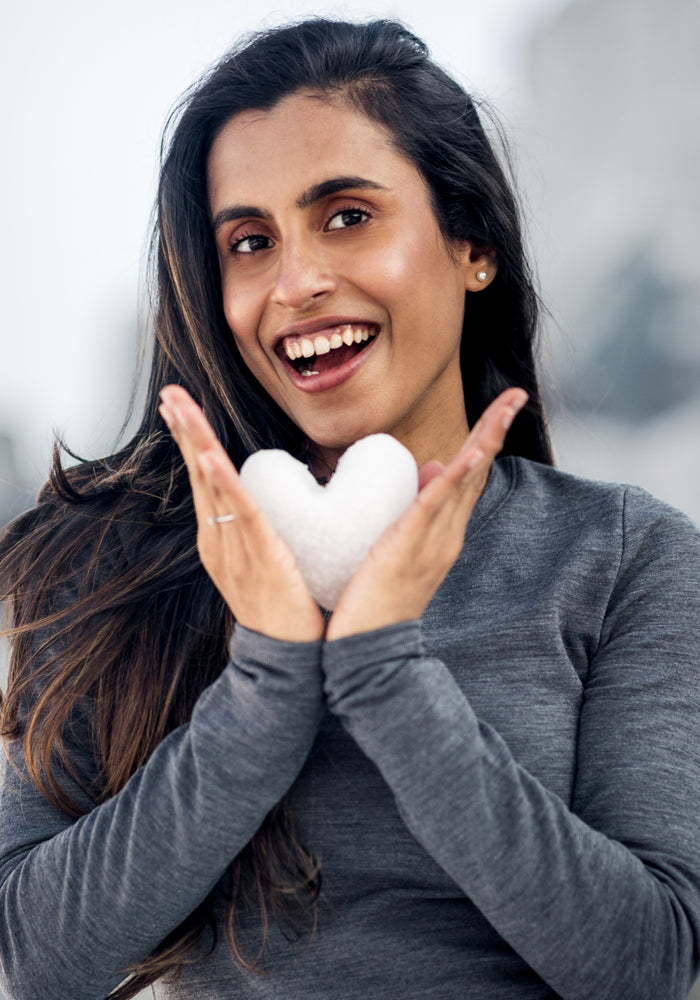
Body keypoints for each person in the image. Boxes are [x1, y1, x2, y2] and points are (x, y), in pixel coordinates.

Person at [1, 17, 699, 1000]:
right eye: (249, 241)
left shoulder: (626, 556)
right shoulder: (105, 562)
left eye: (346, 216)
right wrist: (268, 678)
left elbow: (648, 965)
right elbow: (37, 961)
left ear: (472, 244)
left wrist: (381, 670)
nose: (295, 282)